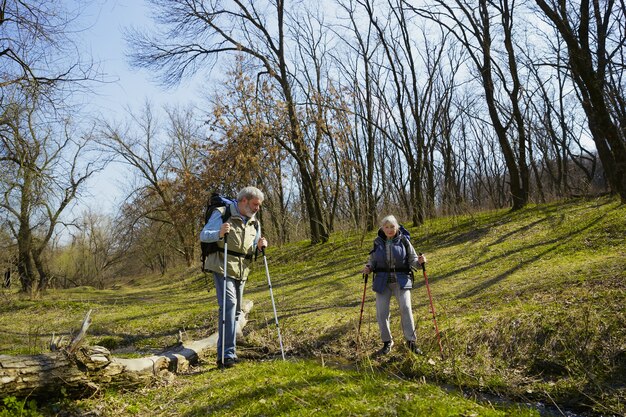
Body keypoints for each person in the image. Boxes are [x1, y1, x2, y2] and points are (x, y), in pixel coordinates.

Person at [200, 186, 268, 368]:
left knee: (237, 310)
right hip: (222, 265)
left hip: (241, 269)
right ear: (244, 200)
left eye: (259, 206)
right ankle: (226, 356)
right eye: (255, 204)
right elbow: (204, 235)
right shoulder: (222, 213)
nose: (257, 208)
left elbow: (252, 246)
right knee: (228, 306)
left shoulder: (255, 222)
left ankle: (230, 350)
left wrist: (260, 246)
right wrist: (219, 233)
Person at [362, 215, 426, 356]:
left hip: (401, 280)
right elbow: (372, 261)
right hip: (382, 282)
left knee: (406, 307)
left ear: (396, 227)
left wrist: (420, 262)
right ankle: (387, 342)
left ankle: (411, 342)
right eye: (387, 227)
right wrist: (368, 267)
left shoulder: (403, 240)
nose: (390, 230)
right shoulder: (377, 242)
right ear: (382, 228)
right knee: (382, 313)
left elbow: (413, 259)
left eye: (392, 227)